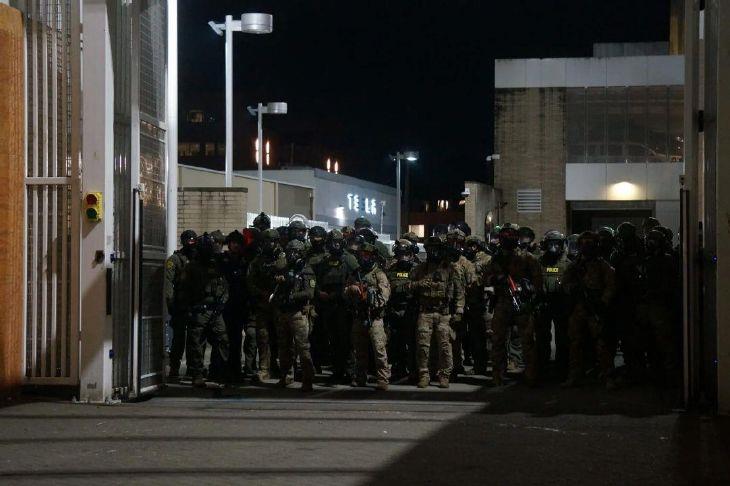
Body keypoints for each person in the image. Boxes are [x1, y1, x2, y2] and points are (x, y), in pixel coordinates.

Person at [484, 224, 542, 386]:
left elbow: (538, 281)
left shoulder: (527, 257)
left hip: (522, 303)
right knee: (498, 340)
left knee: (527, 340)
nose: (507, 240)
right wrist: (496, 280)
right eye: (505, 237)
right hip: (502, 302)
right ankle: (498, 375)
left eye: (511, 236)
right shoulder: (496, 258)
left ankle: (531, 375)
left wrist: (527, 289)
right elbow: (486, 279)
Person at [562, 231, 617, 388]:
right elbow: (565, 283)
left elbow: (611, 285)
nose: (586, 247)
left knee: (601, 342)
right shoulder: (575, 265)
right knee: (575, 342)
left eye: (590, 243)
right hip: (578, 308)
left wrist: (602, 302)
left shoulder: (602, 265)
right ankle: (574, 375)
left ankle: (608, 375)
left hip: (595, 308)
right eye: (584, 243)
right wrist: (572, 289)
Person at [410, 235, 465, 388]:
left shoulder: (450, 269)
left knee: (445, 346)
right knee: (423, 346)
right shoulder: (420, 269)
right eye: (430, 249)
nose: (433, 252)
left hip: (444, 313)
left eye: (435, 249)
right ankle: (424, 375)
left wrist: (459, 310)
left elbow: (459, 291)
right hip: (425, 312)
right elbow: (408, 286)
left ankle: (444, 375)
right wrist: (419, 284)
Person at [179, 234, 230, 387]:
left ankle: (218, 372)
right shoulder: (191, 267)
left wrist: (222, 303)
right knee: (196, 343)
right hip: (199, 310)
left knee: (222, 340)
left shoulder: (217, 266)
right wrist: (188, 309)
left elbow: (225, 287)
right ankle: (197, 374)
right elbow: (184, 290)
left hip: (216, 310)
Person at [271, 240, 317, 391]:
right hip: (284, 312)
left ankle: (307, 380)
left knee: (303, 348)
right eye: (290, 251)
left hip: (298, 313)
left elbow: (309, 293)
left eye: (295, 252)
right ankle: (286, 376)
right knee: (284, 347)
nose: (292, 254)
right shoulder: (285, 268)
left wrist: (293, 296)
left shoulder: (306, 270)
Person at [637, 228, 680, 388]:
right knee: (648, 341)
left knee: (665, 342)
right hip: (647, 305)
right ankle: (655, 372)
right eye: (648, 241)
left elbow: (671, 284)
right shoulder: (645, 261)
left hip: (660, 305)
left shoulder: (667, 261)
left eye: (653, 241)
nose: (649, 244)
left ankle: (669, 376)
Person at [315, 229, 359, 384]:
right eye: (333, 242)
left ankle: (351, 373)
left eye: (339, 242)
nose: (336, 245)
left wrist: (341, 293)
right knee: (333, 341)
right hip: (328, 306)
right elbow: (317, 280)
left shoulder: (349, 259)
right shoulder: (324, 261)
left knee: (347, 341)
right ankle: (337, 371)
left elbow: (357, 281)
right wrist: (319, 292)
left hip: (344, 306)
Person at [345, 242, 391, 390]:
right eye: (362, 255)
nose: (364, 258)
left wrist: (369, 296)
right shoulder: (356, 273)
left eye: (367, 255)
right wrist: (351, 289)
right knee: (359, 350)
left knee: (379, 350)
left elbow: (384, 297)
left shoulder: (379, 274)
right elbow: (345, 292)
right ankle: (360, 377)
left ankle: (383, 379)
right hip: (359, 316)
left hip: (374, 318)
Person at [246, 228, 287, 382]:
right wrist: (261, 293)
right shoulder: (257, 261)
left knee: (282, 338)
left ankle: (284, 369)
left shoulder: (284, 258)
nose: (270, 244)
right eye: (267, 241)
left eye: (273, 241)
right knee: (263, 337)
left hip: (280, 305)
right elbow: (250, 282)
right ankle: (265, 368)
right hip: (263, 305)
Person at [535, 230, 571, 380]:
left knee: (562, 336)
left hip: (561, 303)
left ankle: (562, 368)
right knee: (542, 336)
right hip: (544, 303)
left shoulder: (568, 264)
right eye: (551, 244)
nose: (554, 247)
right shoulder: (539, 262)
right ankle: (543, 366)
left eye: (557, 244)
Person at [164, 229, 197, 379]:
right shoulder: (175, 259)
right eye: (188, 240)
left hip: (195, 305)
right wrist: (170, 302)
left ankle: (193, 369)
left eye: (193, 240)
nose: (191, 243)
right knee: (178, 339)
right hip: (180, 304)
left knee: (194, 338)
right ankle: (174, 368)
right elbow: (168, 283)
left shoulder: (198, 258)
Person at [385, 239, 418, 379]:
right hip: (395, 311)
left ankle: (413, 371)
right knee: (395, 342)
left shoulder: (417, 269)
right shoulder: (391, 270)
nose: (403, 257)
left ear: (411, 255)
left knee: (412, 342)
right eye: (400, 254)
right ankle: (398, 369)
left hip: (411, 311)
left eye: (406, 254)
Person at [217, 230, 248, 382]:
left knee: (236, 340)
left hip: (239, 305)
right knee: (223, 339)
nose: (236, 246)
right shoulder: (222, 260)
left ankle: (235, 370)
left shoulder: (244, 261)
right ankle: (221, 369)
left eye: (238, 243)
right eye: (233, 243)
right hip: (224, 306)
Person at [446, 228, 476, 379]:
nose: (455, 245)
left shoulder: (466, 263)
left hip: (461, 305)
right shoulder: (444, 261)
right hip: (445, 303)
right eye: (452, 242)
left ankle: (457, 365)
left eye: (458, 242)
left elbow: (472, 283)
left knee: (457, 337)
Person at [463, 235, 492, 375]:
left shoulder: (488, 260)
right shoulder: (466, 260)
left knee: (489, 335)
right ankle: (479, 366)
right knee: (476, 337)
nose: (469, 248)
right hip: (471, 303)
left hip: (485, 303)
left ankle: (495, 368)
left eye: (471, 245)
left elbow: (491, 279)